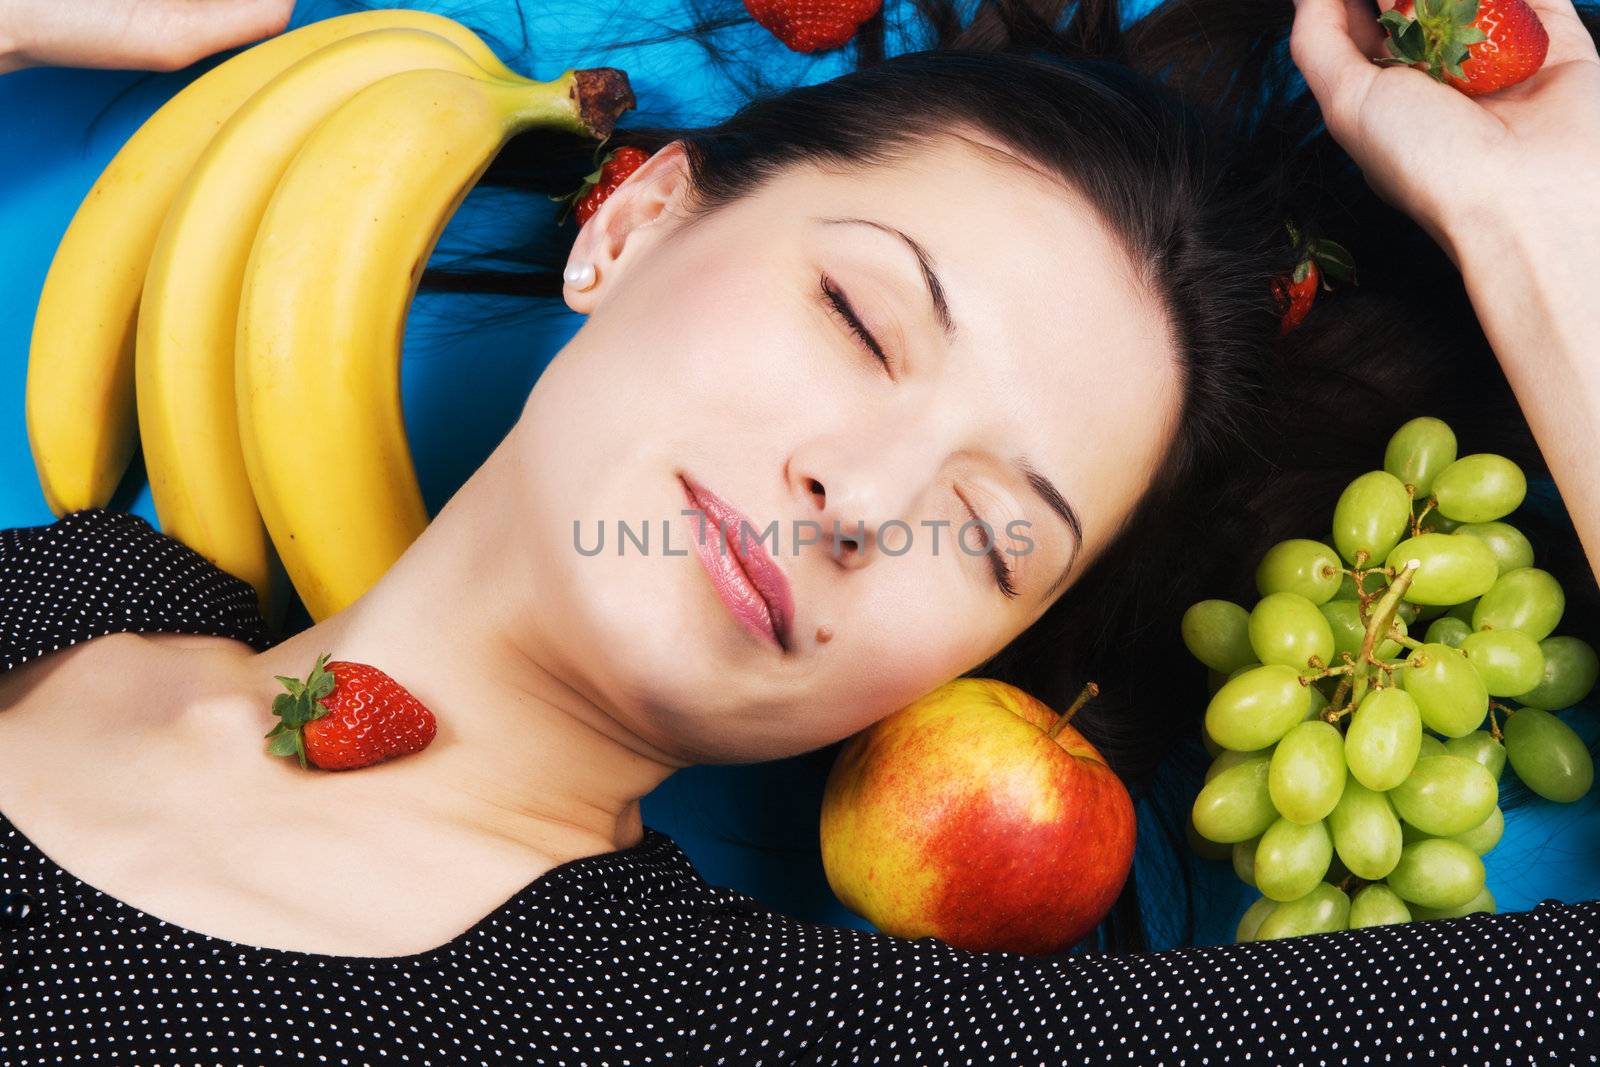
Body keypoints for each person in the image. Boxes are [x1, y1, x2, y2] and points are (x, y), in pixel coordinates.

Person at [2, 0, 1598, 1062]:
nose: (869, 500)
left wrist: (1541, 234)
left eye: (988, 539)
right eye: (859, 315)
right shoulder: (79, 584)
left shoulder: (742, 1025)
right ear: (629, 225)